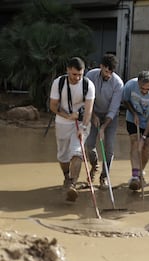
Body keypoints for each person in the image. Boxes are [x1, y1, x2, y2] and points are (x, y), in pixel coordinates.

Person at [49, 57, 95, 201]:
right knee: (62, 155)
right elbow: (53, 106)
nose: (77, 78)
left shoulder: (88, 85)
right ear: (68, 70)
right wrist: (68, 116)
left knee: (77, 152)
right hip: (63, 121)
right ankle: (66, 177)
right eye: (74, 74)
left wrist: (83, 127)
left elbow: (88, 110)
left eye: (80, 75)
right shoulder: (59, 83)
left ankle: (72, 185)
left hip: (81, 123)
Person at [85, 54, 124, 190]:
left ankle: (104, 176)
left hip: (110, 118)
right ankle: (94, 165)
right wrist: (93, 115)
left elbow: (113, 110)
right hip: (92, 112)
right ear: (101, 67)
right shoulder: (90, 76)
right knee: (89, 144)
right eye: (107, 71)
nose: (109, 74)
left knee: (109, 147)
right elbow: (86, 99)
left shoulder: (118, 84)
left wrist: (103, 127)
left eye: (111, 72)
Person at [122, 71, 149, 191]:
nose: (144, 91)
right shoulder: (130, 85)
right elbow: (125, 100)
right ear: (138, 83)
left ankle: (140, 171)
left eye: (147, 89)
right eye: (142, 88)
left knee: (146, 146)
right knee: (135, 142)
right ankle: (135, 176)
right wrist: (134, 113)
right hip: (133, 118)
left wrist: (144, 137)